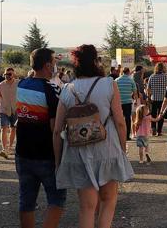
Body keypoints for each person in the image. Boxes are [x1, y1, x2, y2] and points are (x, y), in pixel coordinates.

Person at [53, 44, 133, 228]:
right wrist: (122, 148)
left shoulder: (67, 89)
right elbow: (120, 121)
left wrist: (58, 161)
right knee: (108, 200)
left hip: (78, 152)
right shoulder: (108, 84)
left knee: (87, 207)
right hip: (107, 148)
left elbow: (58, 130)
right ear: (96, 61)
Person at [15, 48, 66, 228]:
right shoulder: (52, 89)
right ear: (47, 65)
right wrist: (59, 157)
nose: (55, 66)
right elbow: (55, 128)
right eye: (54, 62)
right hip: (46, 154)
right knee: (57, 199)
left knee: (26, 200)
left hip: (23, 152)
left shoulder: (21, 84)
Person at [0, 67, 19, 159]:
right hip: (4, 110)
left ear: (13, 74)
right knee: (3, 128)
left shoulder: (18, 83)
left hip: (15, 110)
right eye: (6, 74)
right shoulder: (1, 85)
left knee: (13, 128)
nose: (7, 76)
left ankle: (9, 147)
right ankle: (4, 149)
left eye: (9, 74)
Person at [147, 62, 167, 136]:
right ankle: (159, 131)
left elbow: (148, 89)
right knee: (161, 114)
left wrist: (149, 97)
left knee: (153, 114)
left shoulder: (152, 76)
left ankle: (153, 128)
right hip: (163, 99)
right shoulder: (166, 77)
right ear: (163, 68)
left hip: (154, 99)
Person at [116, 67, 137, 141]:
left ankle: (119, 136)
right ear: (128, 72)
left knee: (118, 118)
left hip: (118, 102)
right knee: (128, 119)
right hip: (128, 102)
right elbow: (135, 93)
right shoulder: (131, 80)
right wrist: (136, 101)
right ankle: (127, 136)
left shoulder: (117, 80)